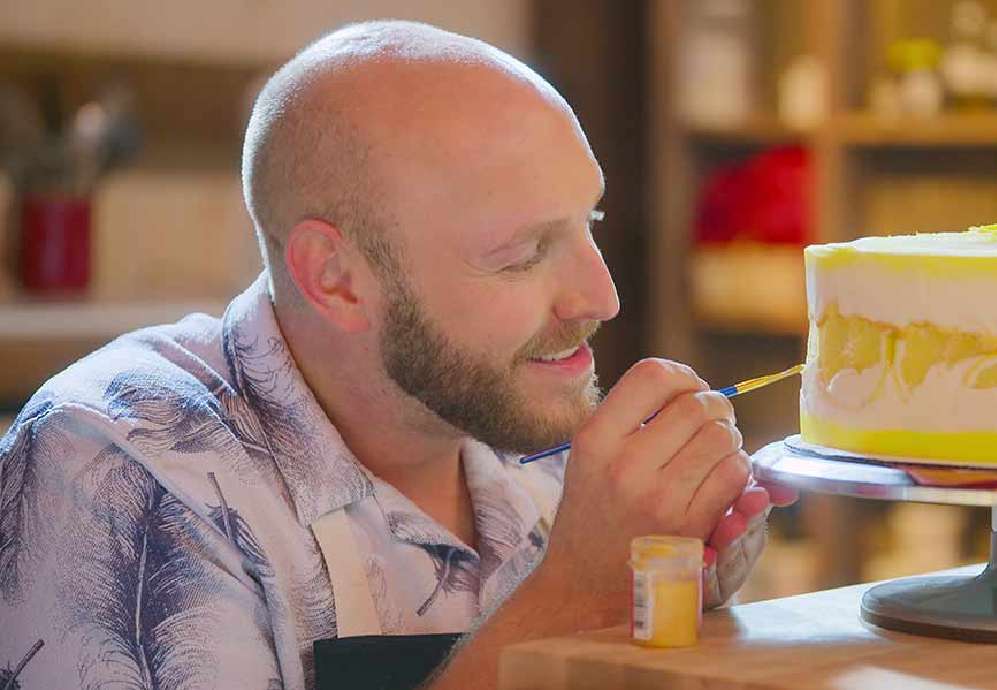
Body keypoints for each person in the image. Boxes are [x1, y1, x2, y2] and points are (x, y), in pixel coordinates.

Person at [0, 21, 795, 689]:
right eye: (522, 253)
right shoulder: (118, 465)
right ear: (337, 279)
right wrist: (575, 593)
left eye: (588, 220)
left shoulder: (516, 420)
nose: (601, 298)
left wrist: (656, 592)